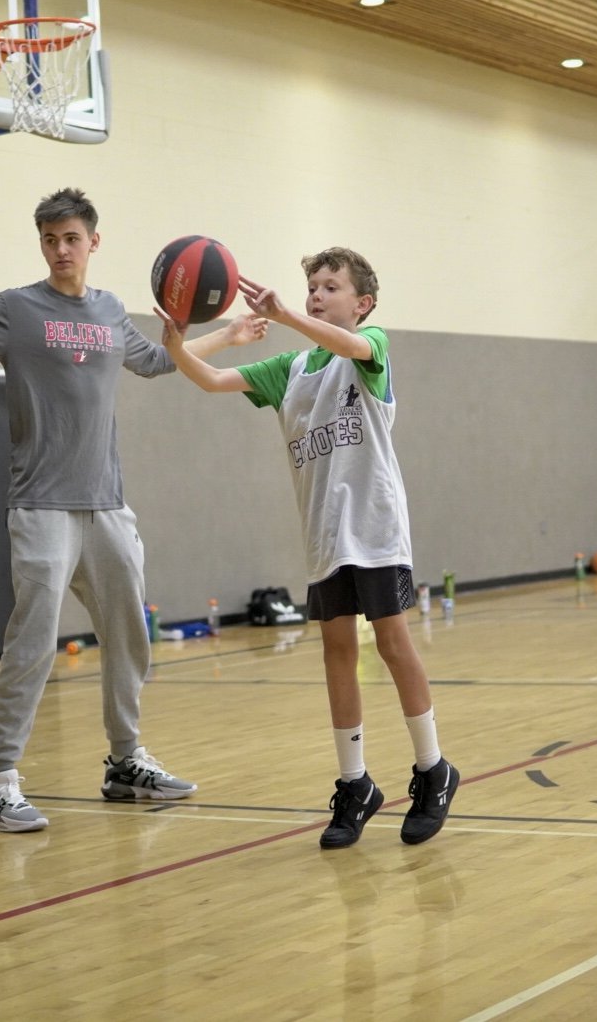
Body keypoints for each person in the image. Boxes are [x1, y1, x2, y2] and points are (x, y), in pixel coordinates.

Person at [0, 187, 267, 833]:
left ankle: (125, 762)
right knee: (31, 648)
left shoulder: (112, 311)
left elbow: (156, 362)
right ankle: (0, 780)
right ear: (42, 245)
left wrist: (224, 335)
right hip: (41, 508)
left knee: (129, 640)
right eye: (49, 239)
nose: (60, 249)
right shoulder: (15, 309)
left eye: (70, 238)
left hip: (107, 506)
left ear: (93, 242)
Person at [156, 247, 458, 849]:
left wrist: (291, 314)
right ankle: (355, 785)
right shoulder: (291, 369)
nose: (318, 293)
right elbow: (211, 378)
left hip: (373, 528)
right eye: (312, 286)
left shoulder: (372, 344)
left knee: (394, 643)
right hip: (322, 533)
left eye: (330, 286)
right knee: (336, 653)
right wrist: (176, 340)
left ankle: (432, 769)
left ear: (361, 302)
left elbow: (352, 347)